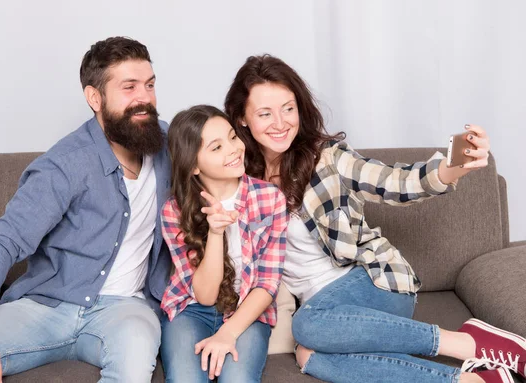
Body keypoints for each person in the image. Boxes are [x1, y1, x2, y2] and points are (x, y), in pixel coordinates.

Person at [223, 54, 524, 383]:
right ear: (241, 119)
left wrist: (450, 167)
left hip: (375, 284)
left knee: (306, 327)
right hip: (328, 316)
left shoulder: (327, 158)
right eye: (265, 113)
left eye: (288, 108)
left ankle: (463, 343)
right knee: (309, 354)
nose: (280, 123)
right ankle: (473, 381)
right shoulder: (240, 180)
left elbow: (395, 182)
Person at [0, 36, 172, 383]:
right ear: (95, 98)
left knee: (135, 362)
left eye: (150, 85)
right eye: (129, 87)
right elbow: (3, 241)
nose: (144, 98)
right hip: (48, 306)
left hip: (127, 310)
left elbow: (227, 158)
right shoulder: (65, 164)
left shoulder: (170, 145)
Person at [159, 105, 287, 382]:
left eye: (232, 137)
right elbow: (204, 295)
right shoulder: (174, 210)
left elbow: (267, 284)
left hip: (248, 311)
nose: (233, 149)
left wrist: (228, 333)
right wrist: (216, 234)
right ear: (193, 164)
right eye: (216, 148)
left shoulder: (270, 198)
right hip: (192, 309)